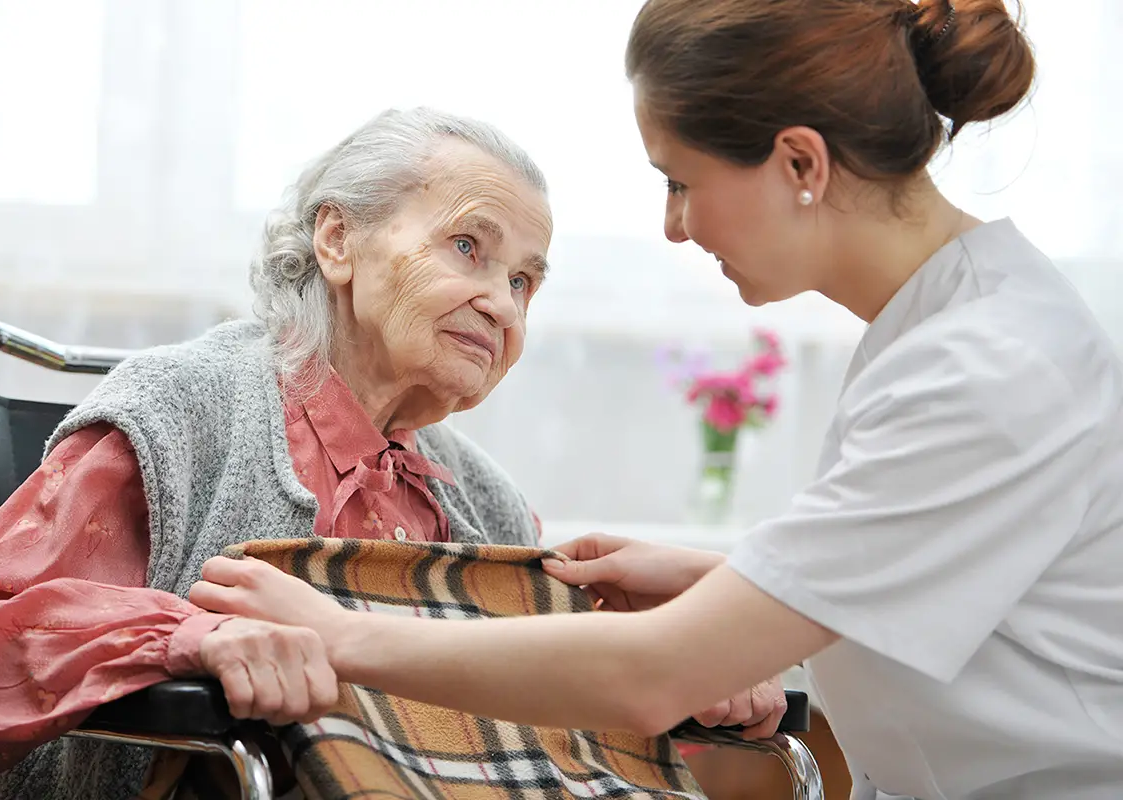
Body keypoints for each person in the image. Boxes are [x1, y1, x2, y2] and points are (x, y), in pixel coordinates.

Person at [190, 1, 1123, 798]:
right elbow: (940, 574)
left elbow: (652, 675)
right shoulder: (949, 331)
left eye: (681, 181)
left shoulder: (985, 368)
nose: (673, 227)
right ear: (335, 241)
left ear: (801, 164)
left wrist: (339, 635)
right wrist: (728, 584)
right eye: (467, 249)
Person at [0, 107, 779, 800]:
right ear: (337, 240)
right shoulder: (182, 417)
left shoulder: (486, 502)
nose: (502, 305)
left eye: (524, 282)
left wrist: (688, 667)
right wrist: (192, 637)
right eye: (468, 247)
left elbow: (532, 740)